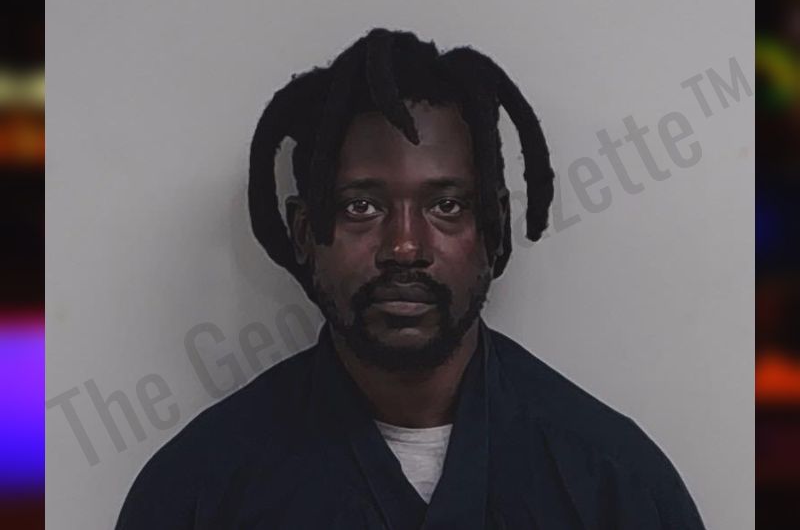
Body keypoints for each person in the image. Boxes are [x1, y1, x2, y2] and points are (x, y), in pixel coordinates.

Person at [116, 28, 706, 529]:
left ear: (494, 228)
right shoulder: (197, 494)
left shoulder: (616, 488)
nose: (404, 247)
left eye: (446, 206)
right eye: (361, 207)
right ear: (304, 234)